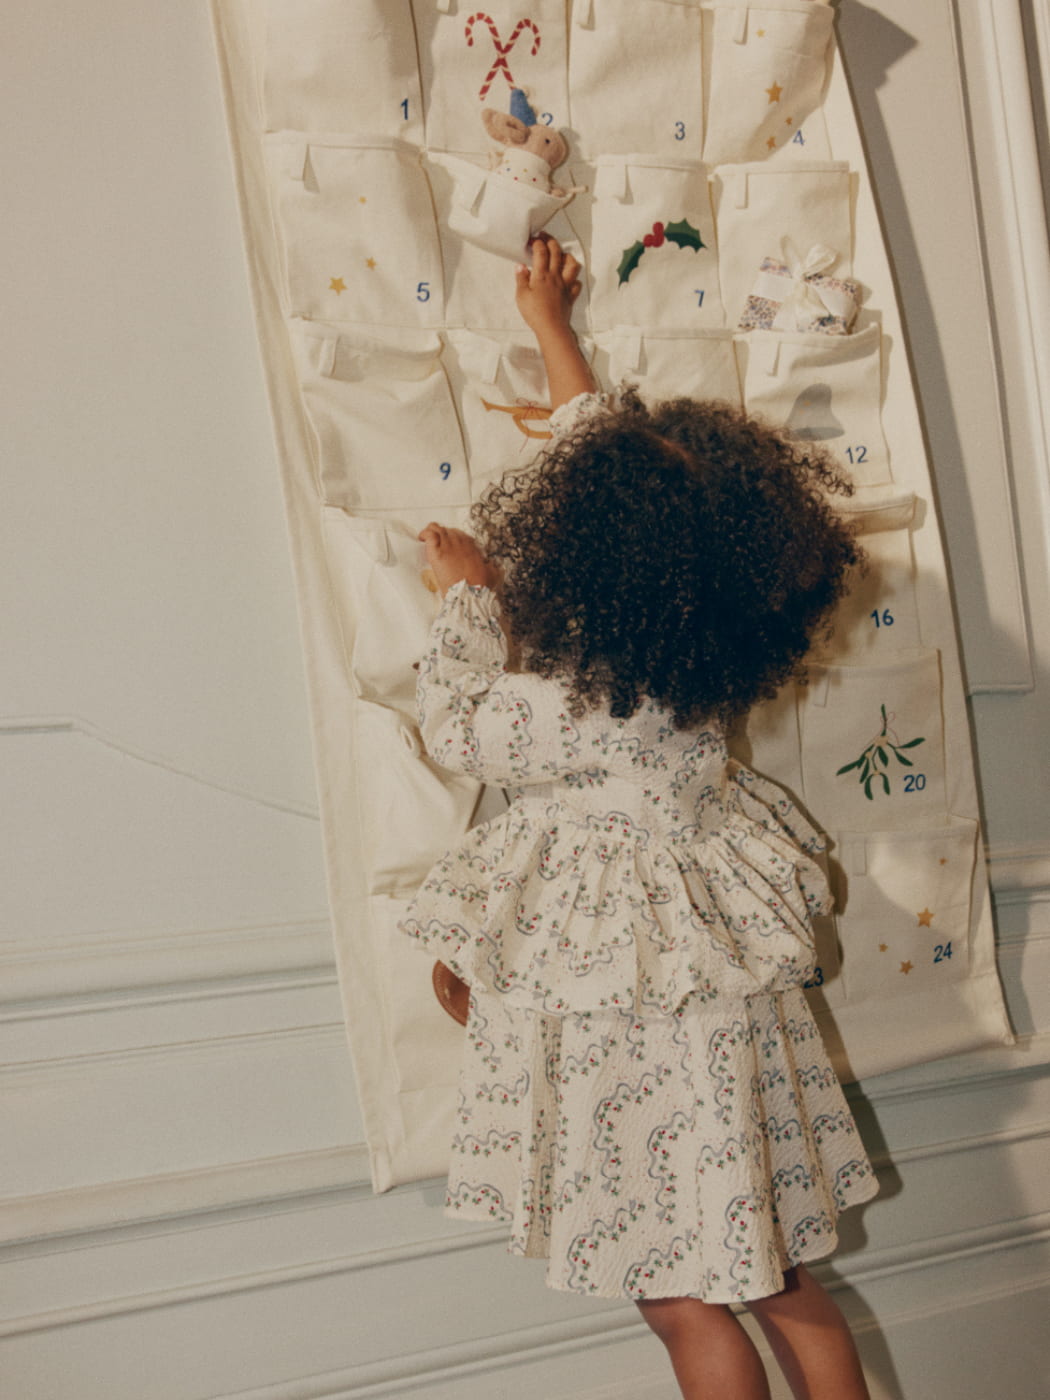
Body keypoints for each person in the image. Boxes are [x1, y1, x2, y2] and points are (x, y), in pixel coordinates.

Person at [400, 236, 878, 1400]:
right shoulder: (689, 674)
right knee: (781, 1279)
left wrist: (469, 600)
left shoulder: (559, 708)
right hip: (719, 1052)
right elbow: (628, 475)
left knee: (680, 1299)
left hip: (639, 1055)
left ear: (585, 559)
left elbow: (454, 720)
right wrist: (554, 331)